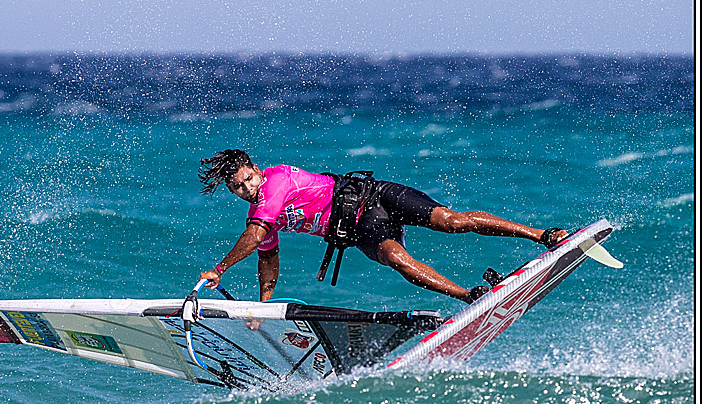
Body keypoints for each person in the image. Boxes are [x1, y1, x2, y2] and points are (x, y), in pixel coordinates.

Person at [196, 148, 568, 303]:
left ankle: (542, 235)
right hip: (360, 231)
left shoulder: (274, 185)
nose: (246, 189)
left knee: (450, 221)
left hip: (375, 197)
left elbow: (255, 235)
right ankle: (470, 297)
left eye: (248, 180)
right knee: (396, 258)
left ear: (257, 171)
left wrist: (220, 269)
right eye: (237, 187)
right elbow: (268, 259)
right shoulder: (260, 216)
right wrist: (264, 309)